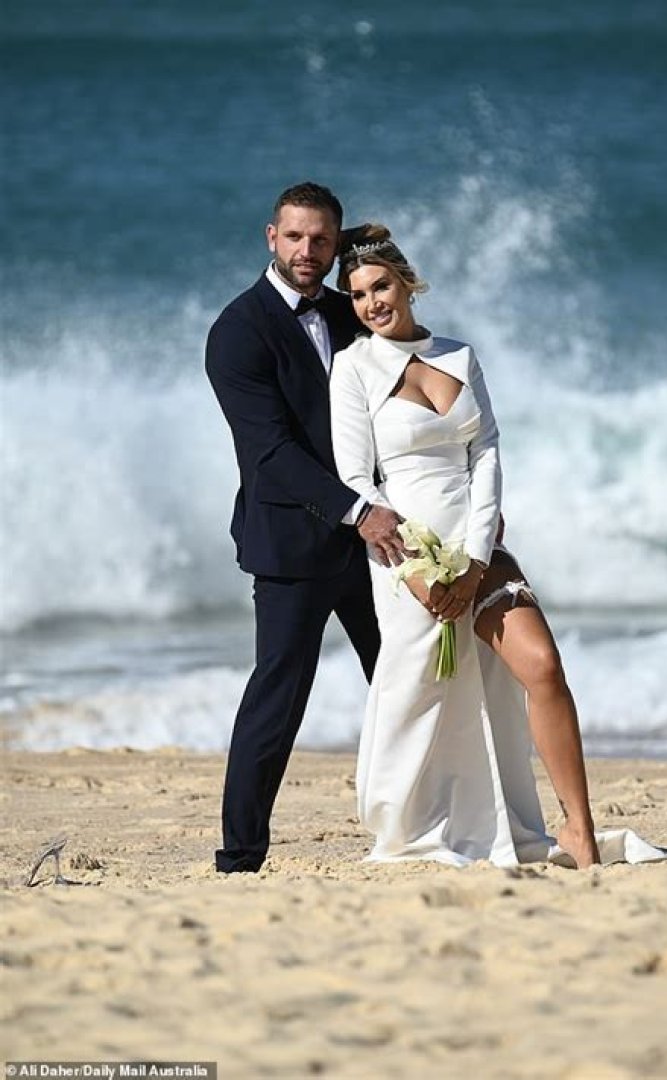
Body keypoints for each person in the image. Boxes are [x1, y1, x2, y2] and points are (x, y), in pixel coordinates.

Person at [329, 224, 667, 870]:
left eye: (381, 287)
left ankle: (579, 831)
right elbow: (355, 477)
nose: (372, 303)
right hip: (407, 556)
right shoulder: (353, 368)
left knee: (542, 665)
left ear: (407, 284)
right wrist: (414, 565)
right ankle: (417, 822)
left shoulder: (460, 356)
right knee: (420, 694)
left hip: (478, 541)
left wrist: (479, 553)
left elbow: (485, 452)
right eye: (359, 295)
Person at [205, 185, 404, 874]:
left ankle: (429, 821)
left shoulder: (352, 314)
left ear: (336, 241)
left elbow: (398, 410)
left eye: (320, 239)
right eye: (294, 237)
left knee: (406, 678)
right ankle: (240, 855)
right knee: (278, 698)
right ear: (271, 237)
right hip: (293, 543)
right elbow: (270, 452)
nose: (306, 251)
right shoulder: (238, 330)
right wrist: (358, 512)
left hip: (373, 541)